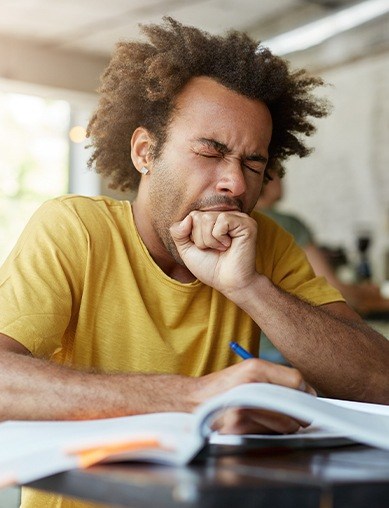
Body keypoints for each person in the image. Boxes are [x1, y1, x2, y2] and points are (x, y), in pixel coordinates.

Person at [0, 17, 388, 508]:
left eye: (253, 163)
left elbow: (381, 384)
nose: (237, 184)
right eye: (210, 151)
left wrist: (249, 287)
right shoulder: (75, 228)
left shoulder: (266, 244)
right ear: (145, 151)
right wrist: (196, 397)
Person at [255, 166, 389, 316]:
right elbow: (332, 291)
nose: (283, 181)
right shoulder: (289, 224)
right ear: (267, 178)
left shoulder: (241, 220)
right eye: (280, 174)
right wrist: (367, 294)